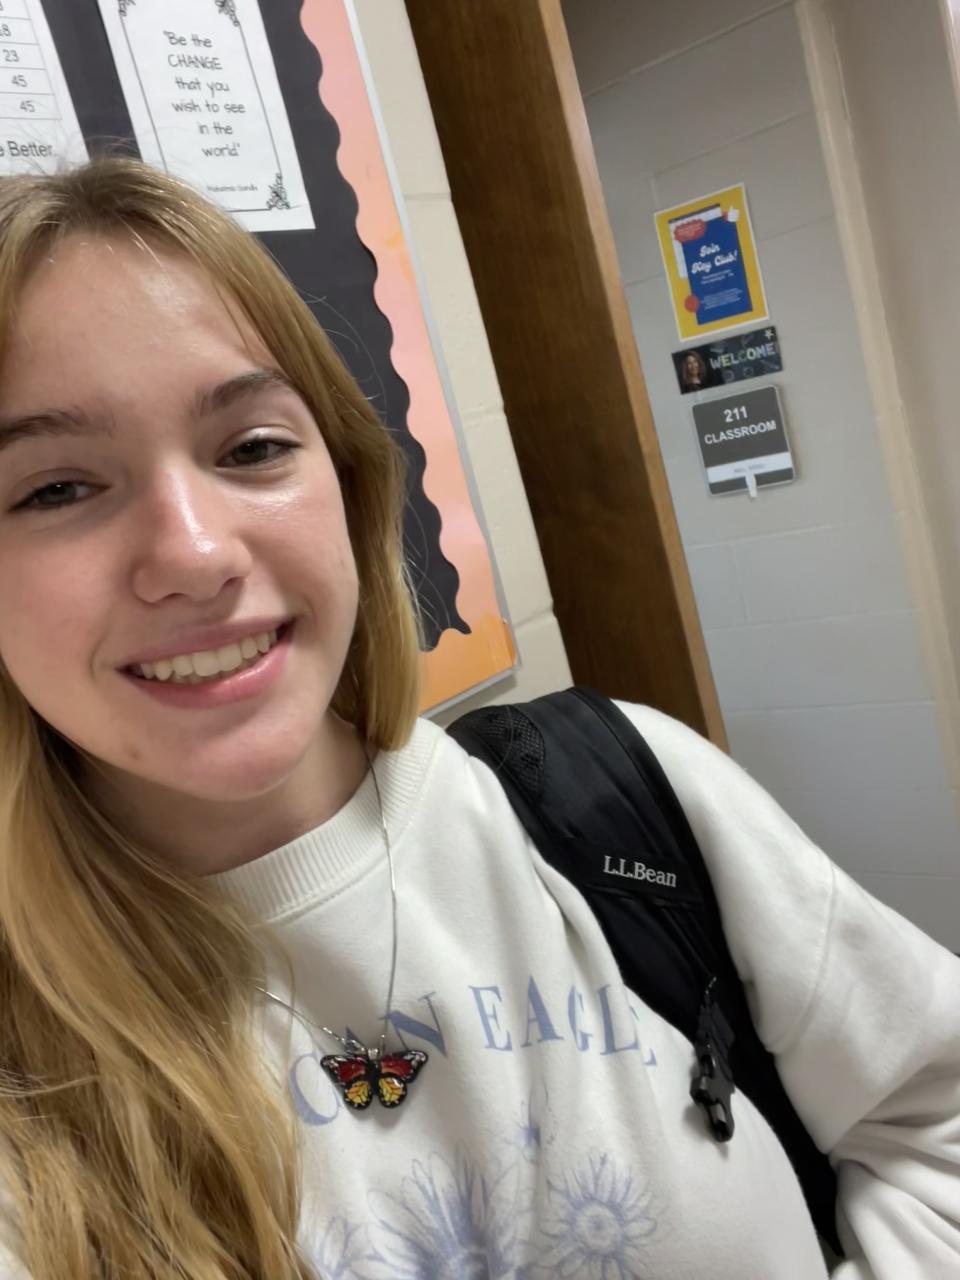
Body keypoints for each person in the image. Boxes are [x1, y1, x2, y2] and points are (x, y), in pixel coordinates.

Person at [0, 157, 956, 1280]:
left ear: (350, 486)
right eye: (56, 488)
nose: (196, 554)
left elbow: (931, 1115)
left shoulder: (622, 801)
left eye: (252, 447)